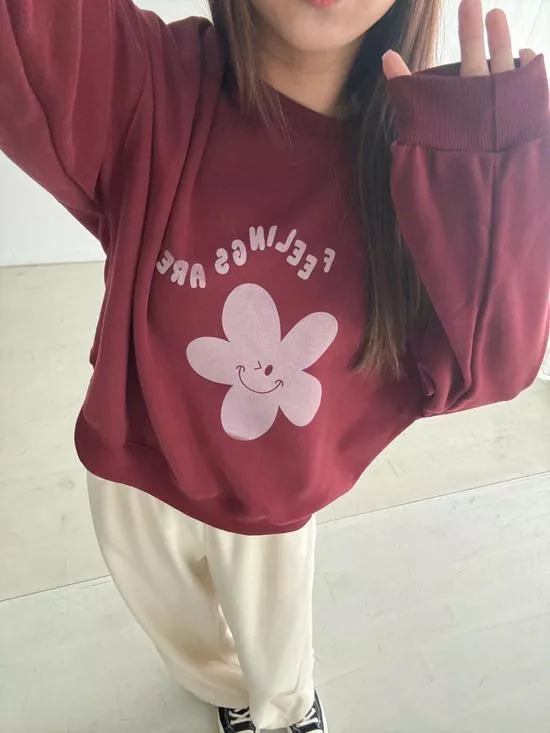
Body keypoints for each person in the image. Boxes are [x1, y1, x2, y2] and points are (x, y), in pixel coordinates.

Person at [1, 0, 549, 730]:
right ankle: (227, 689)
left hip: (271, 506)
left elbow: (493, 365)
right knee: (180, 632)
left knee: (278, 655)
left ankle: (286, 711)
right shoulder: (147, 86)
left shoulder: (420, 164)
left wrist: (496, 192)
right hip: (131, 473)